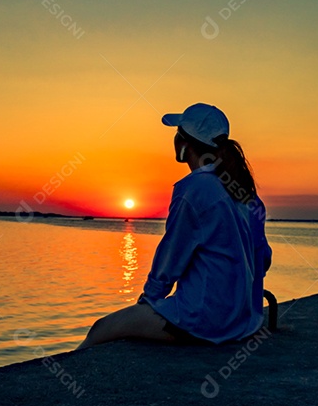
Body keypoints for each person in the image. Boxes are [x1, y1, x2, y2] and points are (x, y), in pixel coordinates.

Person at [76, 103, 272, 350]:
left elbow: (172, 256)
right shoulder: (248, 196)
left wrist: (149, 299)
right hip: (245, 320)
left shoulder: (195, 189)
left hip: (205, 322)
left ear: (185, 142)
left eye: (177, 133)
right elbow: (263, 260)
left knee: (101, 330)